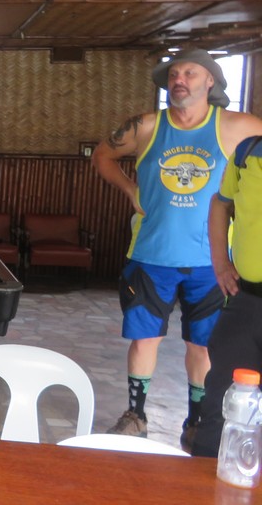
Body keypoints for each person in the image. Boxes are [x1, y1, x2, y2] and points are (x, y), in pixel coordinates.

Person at [91, 48, 262, 451]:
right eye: (173, 75)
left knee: (202, 345)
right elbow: (102, 155)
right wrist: (130, 189)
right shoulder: (147, 126)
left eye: (189, 73)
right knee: (144, 339)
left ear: (211, 81)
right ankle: (136, 415)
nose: (179, 80)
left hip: (211, 263)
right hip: (151, 254)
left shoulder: (238, 126)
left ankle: (197, 421)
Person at [192, 135, 262, 456]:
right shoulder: (249, 153)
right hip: (245, 303)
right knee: (221, 410)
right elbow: (220, 203)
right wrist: (220, 262)